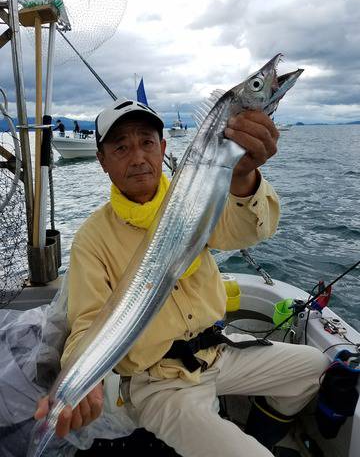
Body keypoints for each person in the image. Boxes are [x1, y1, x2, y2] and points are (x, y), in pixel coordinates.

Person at [35, 99, 328, 456]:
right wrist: (83, 378)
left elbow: (247, 230)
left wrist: (243, 176)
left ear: (163, 148)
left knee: (317, 368)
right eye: (121, 147)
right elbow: (86, 323)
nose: (138, 157)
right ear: (102, 161)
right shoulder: (92, 239)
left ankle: (259, 434)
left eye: (146, 142)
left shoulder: (194, 198)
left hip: (219, 352)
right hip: (159, 382)